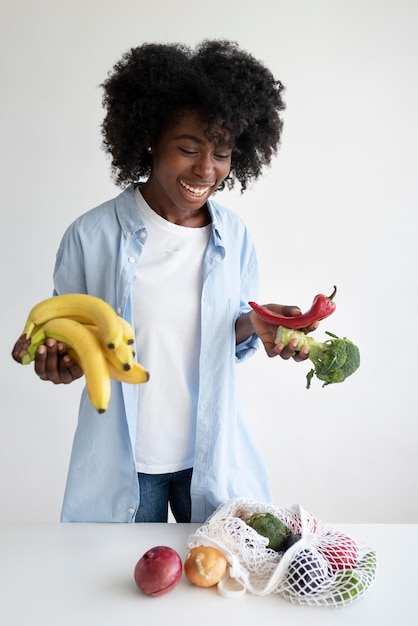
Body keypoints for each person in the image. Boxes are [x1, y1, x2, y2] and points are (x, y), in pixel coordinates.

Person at [34, 40, 313, 524]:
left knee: (219, 590)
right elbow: (69, 342)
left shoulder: (235, 236)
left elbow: (218, 338)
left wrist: (255, 325)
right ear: (148, 139)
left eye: (222, 153)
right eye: (188, 149)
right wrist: (61, 362)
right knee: (117, 590)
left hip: (211, 458)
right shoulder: (90, 236)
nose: (206, 169)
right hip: (124, 467)